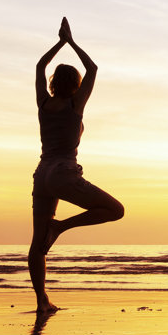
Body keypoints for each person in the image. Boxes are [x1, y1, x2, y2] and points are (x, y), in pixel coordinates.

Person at [28, 18, 124, 313]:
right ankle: (61, 227)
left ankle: (42, 301)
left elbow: (38, 68)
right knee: (115, 210)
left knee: (37, 242)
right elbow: (93, 69)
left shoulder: (44, 103)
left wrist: (59, 43)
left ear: (54, 83)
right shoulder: (74, 105)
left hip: (42, 173)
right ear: (76, 86)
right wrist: (71, 41)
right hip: (63, 173)